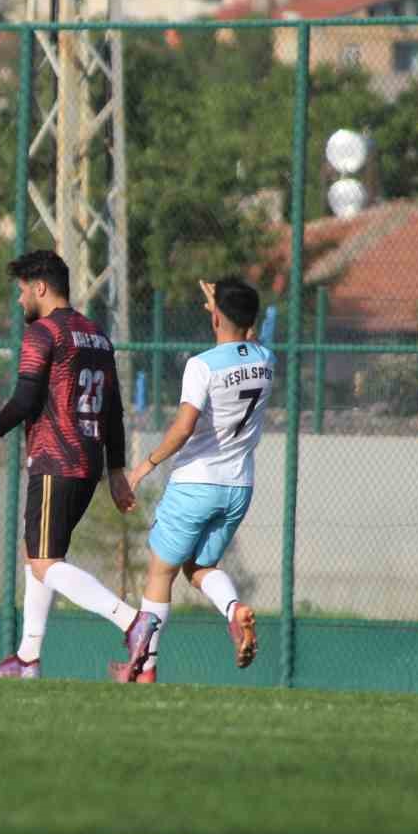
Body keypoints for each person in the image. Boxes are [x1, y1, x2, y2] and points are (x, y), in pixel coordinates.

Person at [0, 251, 150, 679]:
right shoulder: (96, 334)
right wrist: (116, 470)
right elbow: (115, 409)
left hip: (55, 459)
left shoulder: (43, 333)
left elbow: (27, 396)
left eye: (21, 291)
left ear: (41, 288)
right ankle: (27, 660)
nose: (18, 300)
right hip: (87, 462)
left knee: (45, 563)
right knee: (41, 557)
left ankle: (131, 620)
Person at [121, 278, 273, 683]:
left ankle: (145, 669)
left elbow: (184, 426)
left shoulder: (202, 365)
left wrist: (145, 465)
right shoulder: (265, 358)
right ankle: (234, 610)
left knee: (160, 573)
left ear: (217, 315)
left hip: (195, 483)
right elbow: (245, 335)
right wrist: (220, 308)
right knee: (200, 565)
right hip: (239, 485)